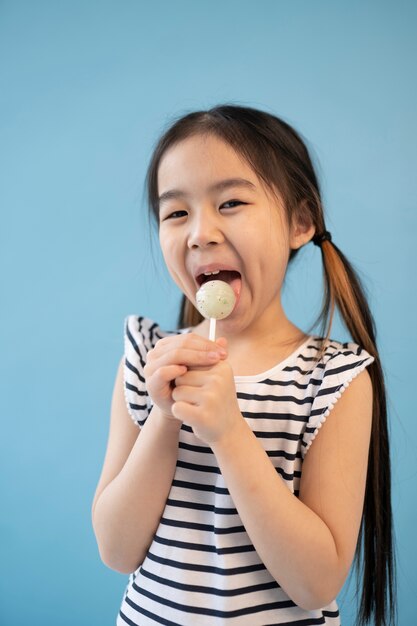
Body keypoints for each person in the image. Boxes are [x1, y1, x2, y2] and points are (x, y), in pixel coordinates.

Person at [91, 104, 396, 626]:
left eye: (230, 202)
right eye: (176, 212)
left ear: (301, 221)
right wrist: (164, 417)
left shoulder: (333, 382)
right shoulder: (147, 360)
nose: (200, 233)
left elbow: (316, 581)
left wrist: (230, 434)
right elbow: (117, 551)